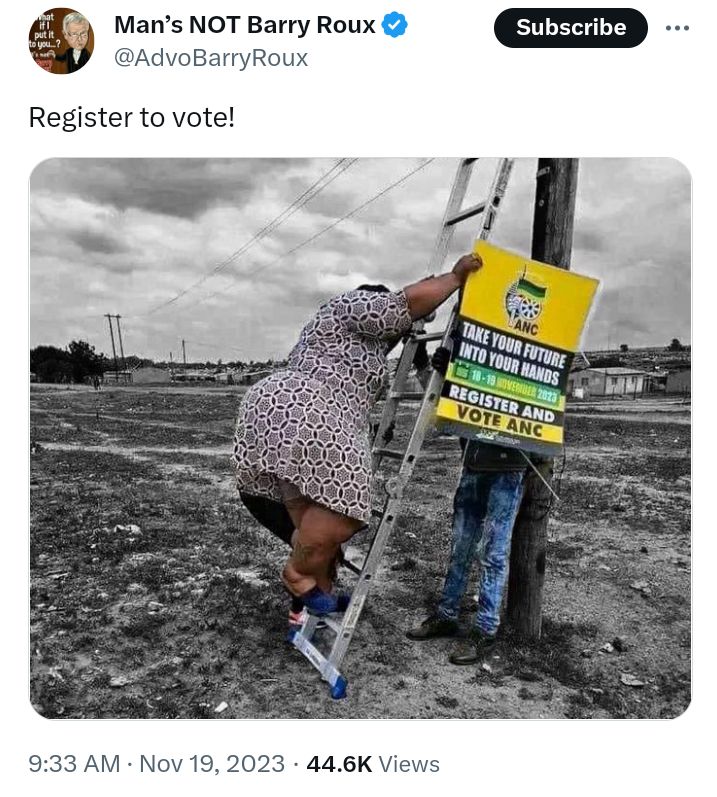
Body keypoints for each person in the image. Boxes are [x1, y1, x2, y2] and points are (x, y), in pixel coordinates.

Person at [232, 254, 482, 617]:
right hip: (306, 408)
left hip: (288, 414)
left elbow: (403, 335)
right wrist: (454, 278)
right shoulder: (353, 304)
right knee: (345, 508)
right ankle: (298, 575)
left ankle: (308, 604)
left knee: (316, 526)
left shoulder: (351, 343)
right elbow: (404, 305)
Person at [406, 346, 528, 664]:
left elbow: (505, 397)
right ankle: (447, 614)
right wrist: (428, 366)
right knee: (461, 547)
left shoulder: (518, 362)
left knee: (493, 554)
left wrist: (456, 374)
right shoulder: (472, 358)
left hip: (507, 469)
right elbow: (447, 410)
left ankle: (485, 630)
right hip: (474, 465)